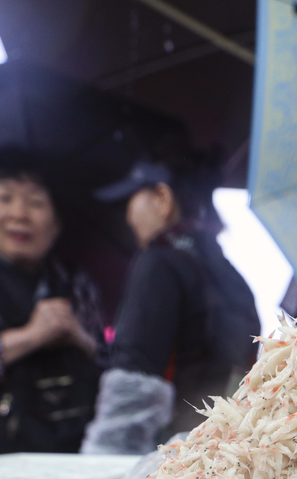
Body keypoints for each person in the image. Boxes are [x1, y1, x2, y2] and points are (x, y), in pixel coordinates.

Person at [79, 160, 260, 454]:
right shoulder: (228, 271)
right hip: (225, 453)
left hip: (168, 459)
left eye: (131, 201)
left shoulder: (159, 262)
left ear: (162, 199)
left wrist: (101, 465)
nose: (128, 217)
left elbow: (133, 380)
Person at [0, 150, 105, 455]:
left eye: (36, 202)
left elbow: (110, 365)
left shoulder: (74, 280)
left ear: (56, 222)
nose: (20, 214)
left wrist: (77, 336)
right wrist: (33, 336)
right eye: (4, 198)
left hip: (76, 450)